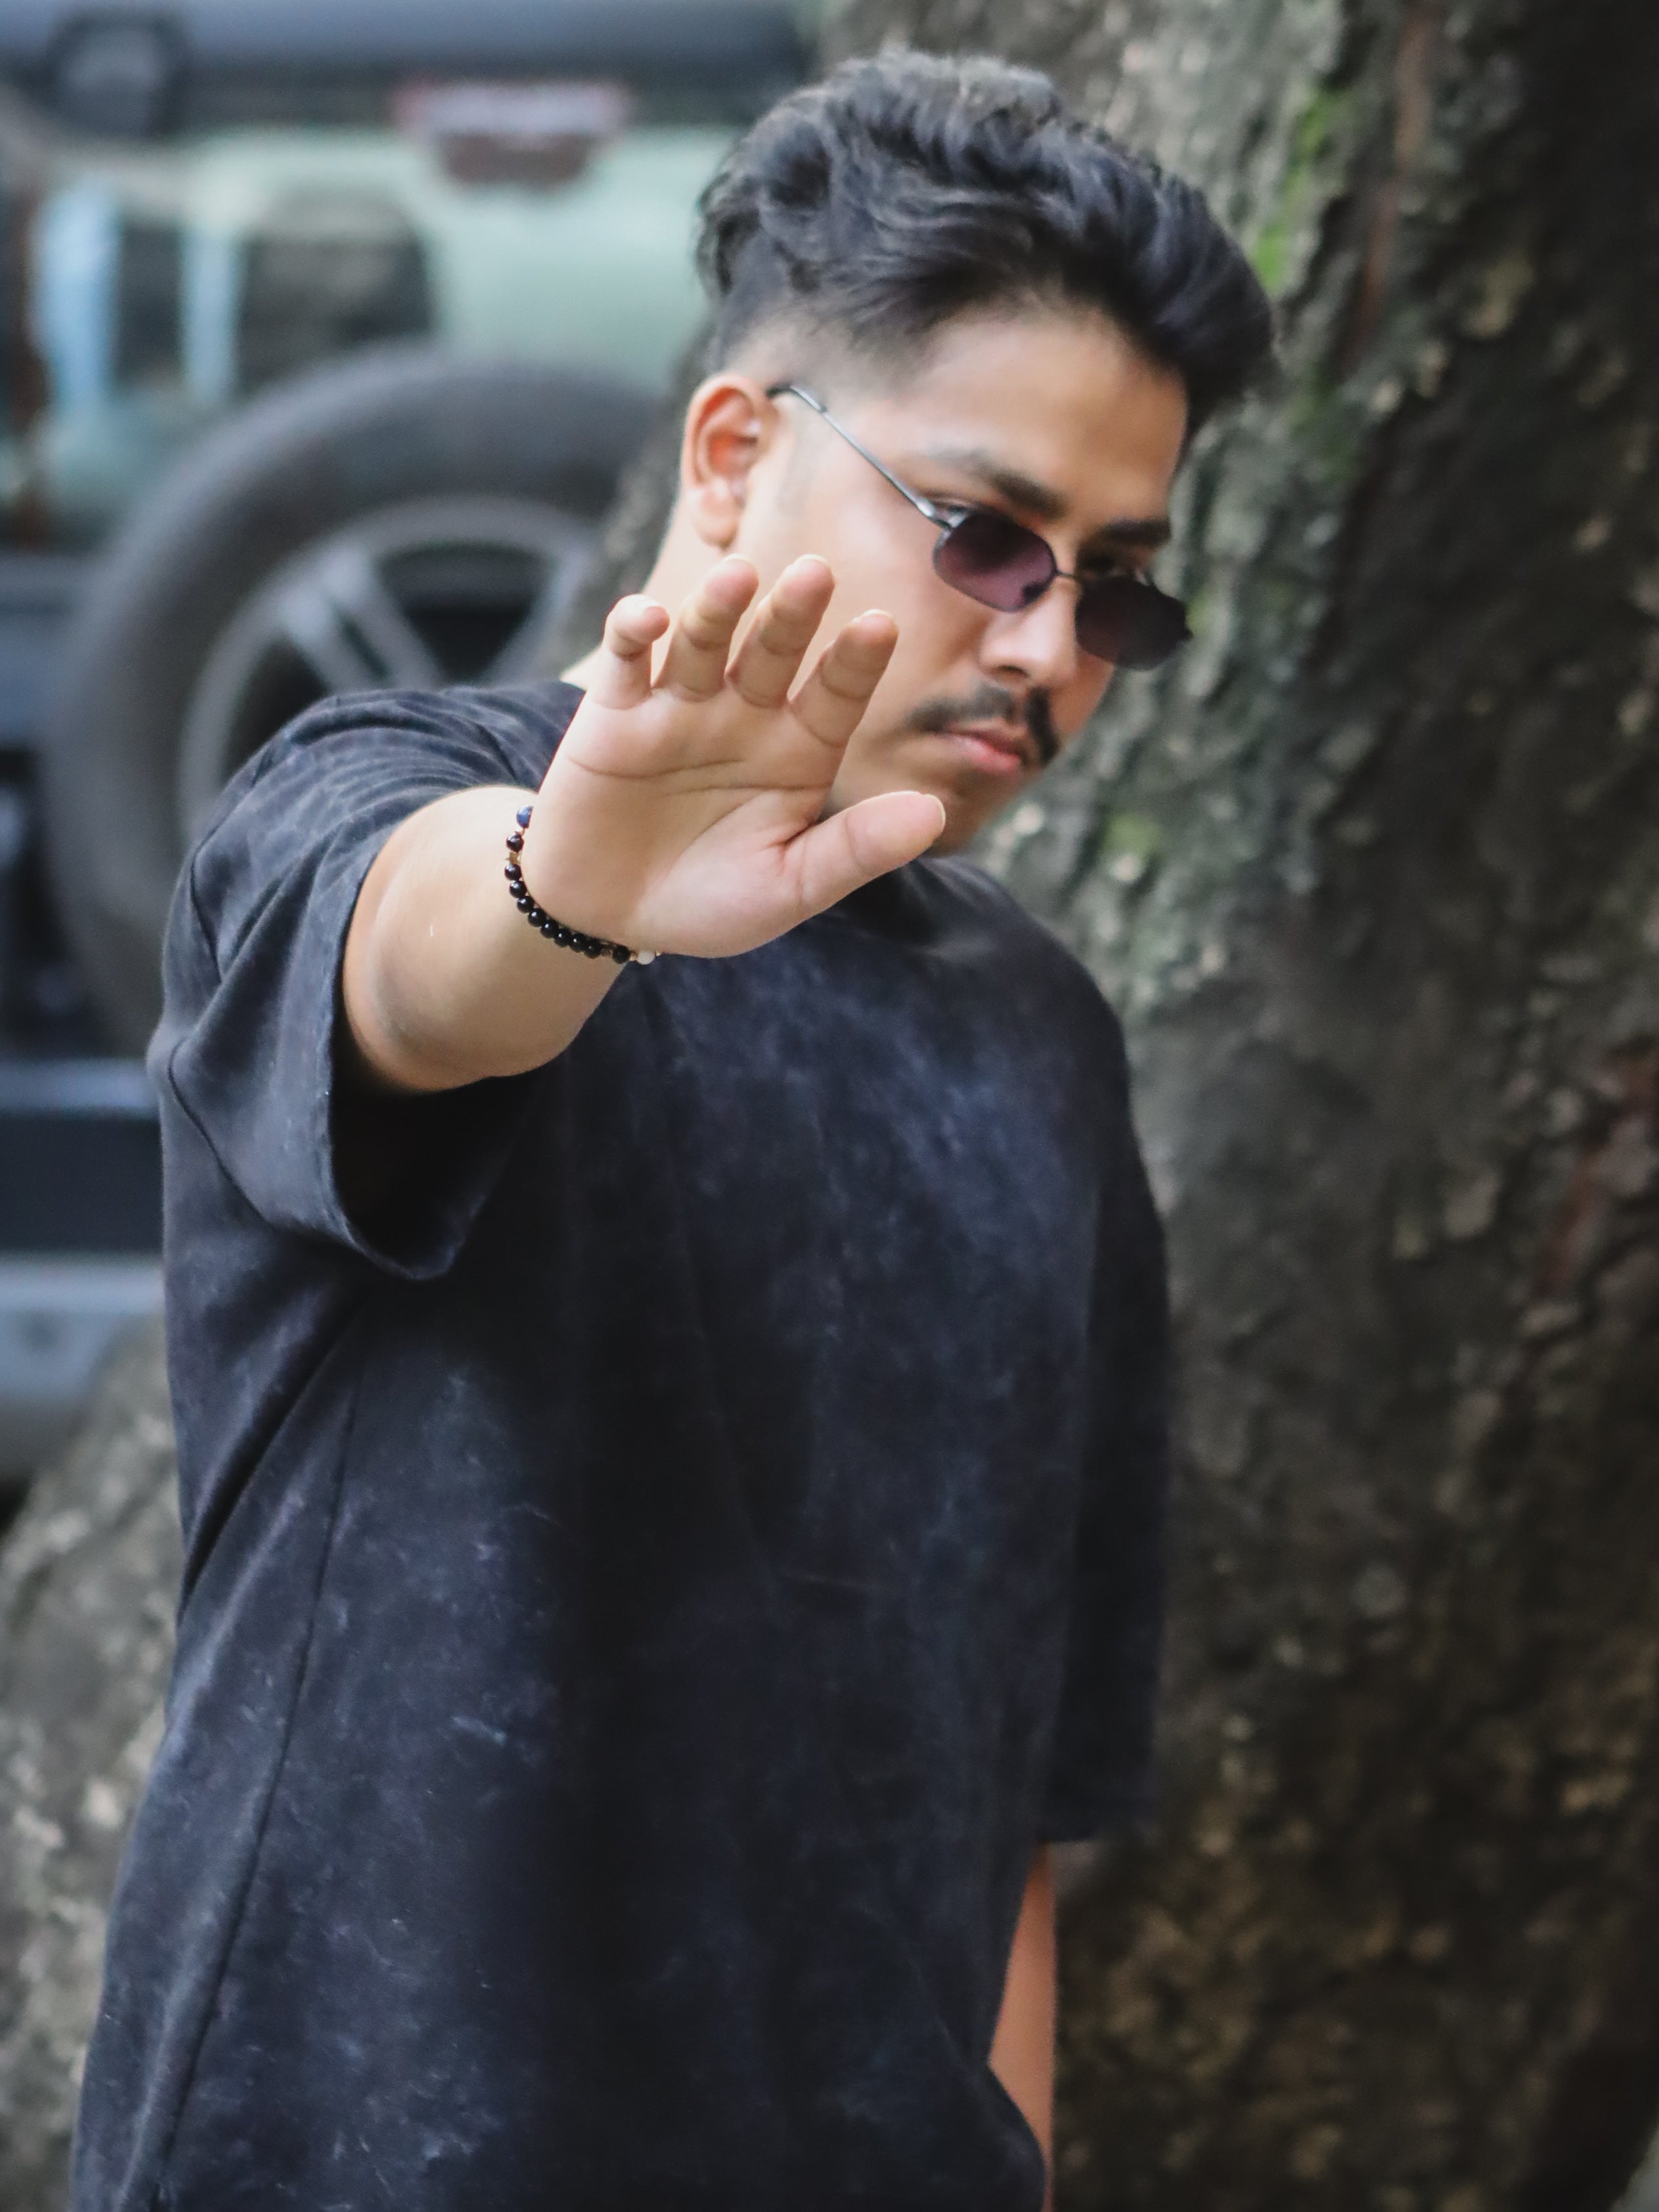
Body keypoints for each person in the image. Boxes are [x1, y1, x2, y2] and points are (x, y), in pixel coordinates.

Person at [73, 49, 1270, 2212]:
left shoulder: (1038, 1037)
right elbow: (415, 977)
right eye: (988, 534)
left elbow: (1013, 1789)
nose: (1045, 642)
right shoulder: (386, 796)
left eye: (1117, 589)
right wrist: (576, 894)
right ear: (733, 456)